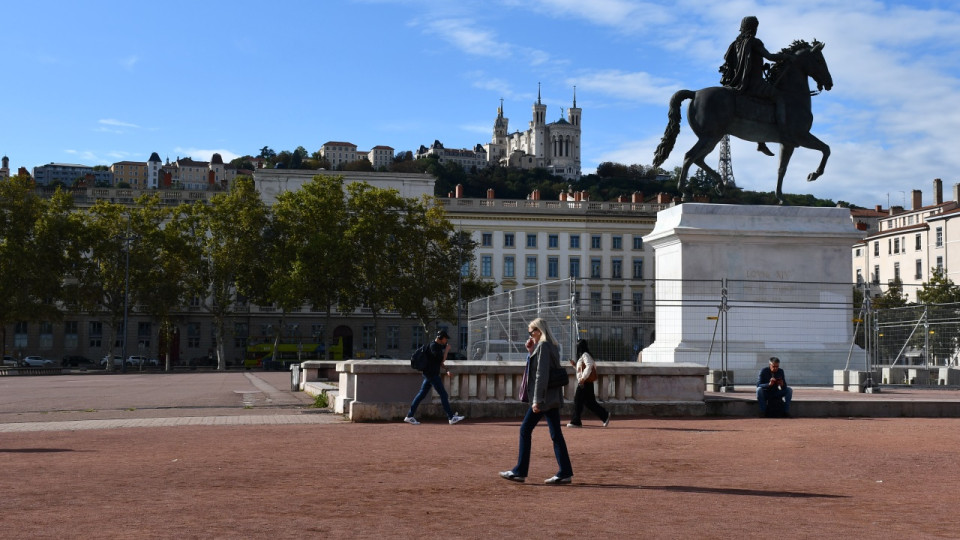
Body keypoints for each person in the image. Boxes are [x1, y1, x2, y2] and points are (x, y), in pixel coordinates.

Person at [499, 317, 574, 485]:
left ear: (539, 331)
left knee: (525, 430)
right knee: (555, 435)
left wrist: (537, 400)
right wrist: (531, 351)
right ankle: (565, 472)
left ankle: (520, 471)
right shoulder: (551, 346)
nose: (530, 335)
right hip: (551, 397)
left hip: (544, 399)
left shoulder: (544, 346)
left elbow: (541, 375)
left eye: (532, 332)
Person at [719, 15, 792, 153]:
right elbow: (769, 56)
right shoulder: (754, 42)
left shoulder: (735, 44)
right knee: (779, 97)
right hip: (754, 83)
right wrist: (786, 57)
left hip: (738, 82)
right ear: (753, 27)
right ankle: (784, 132)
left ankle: (761, 142)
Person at [404, 330, 465, 425]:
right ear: (441, 338)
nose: (446, 341)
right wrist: (447, 350)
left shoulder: (435, 346)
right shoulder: (434, 346)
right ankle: (451, 417)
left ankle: (409, 416)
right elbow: (441, 360)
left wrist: (447, 369)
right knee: (443, 395)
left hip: (429, 374)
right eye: (445, 338)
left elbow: (438, 363)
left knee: (421, 395)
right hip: (432, 375)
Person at [567, 339, 610, 428]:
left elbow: (589, 366)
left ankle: (576, 421)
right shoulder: (585, 355)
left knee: (577, 401)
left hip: (584, 382)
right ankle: (605, 415)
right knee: (590, 403)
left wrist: (583, 378)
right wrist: (574, 365)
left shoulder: (585, 355)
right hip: (587, 382)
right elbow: (583, 368)